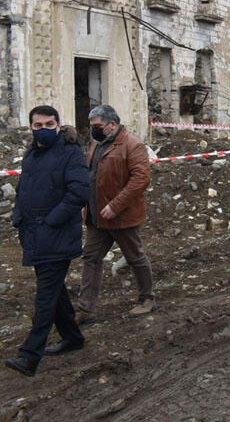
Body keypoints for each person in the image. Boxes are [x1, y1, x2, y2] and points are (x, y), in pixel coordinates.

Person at [4, 106, 89, 377]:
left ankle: (30, 356)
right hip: (35, 234)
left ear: (58, 124)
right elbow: (26, 188)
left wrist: (52, 220)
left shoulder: (70, 152)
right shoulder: (32, 152)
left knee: (45, 297)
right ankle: (73, 338)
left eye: (49, 124)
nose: (43, 128)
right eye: (38, 124)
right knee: (54, 291)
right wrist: (19, 214)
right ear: (30, 127)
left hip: (57, 235)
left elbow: (79, 192)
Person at [75, 104, 155, 324]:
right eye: (92, 126)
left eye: (98, 126)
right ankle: (85, 308)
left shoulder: (132, 145)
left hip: (122, 216)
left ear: (112, 124)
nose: (94, 130)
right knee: (91, 258)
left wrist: (115, 205)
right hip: (96, 216)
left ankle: (147, 299)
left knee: (134, 257)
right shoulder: (96, 144)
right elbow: (91, 174)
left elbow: (141, 179)